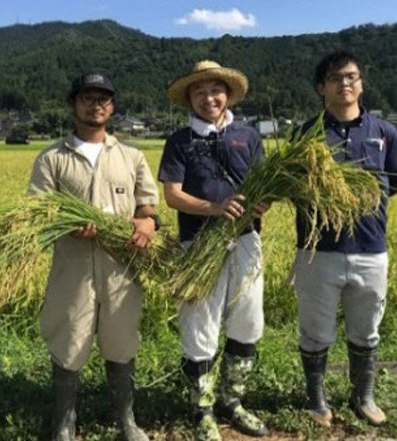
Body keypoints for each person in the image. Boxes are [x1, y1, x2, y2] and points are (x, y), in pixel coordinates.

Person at [28, 72, 160, 441]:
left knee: (121, 341)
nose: (96, 104)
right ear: (74, 105)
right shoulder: (53, 157)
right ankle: (65, 423)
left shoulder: (130, 156)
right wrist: (66, 225)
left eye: (103, 98)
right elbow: (37, 212)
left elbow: (148, 206)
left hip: (122, 269)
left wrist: (148, 224)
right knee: (69, 341)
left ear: (112, 106)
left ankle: (126, 419)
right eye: (87, 97)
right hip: (72, 270)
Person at [292, 50, 397, 428]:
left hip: (370, 249)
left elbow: (396, 182)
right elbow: (293, 187)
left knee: (366, 327)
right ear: (320, 87)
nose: (346, 83)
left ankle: (364, 396)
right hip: (318, 251)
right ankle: (317, 401)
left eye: (352, 76)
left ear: (361, 83)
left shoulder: (383, 132)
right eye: (337, 78)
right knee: (315, 329)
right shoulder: (305, 133)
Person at [158, 60, 270, 440]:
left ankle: (232, 402)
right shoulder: (180, 141)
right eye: (200, 91)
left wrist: (260, 204)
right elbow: (172, 196)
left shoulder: (248, 135)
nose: (209, 97)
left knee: (248, 320)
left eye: (215, 90)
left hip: (245, 241)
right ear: (189, 98)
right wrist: (215, 209)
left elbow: (264, 185)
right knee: (199, 325)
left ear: (228, 94)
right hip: (197, 244)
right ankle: (201, 410)